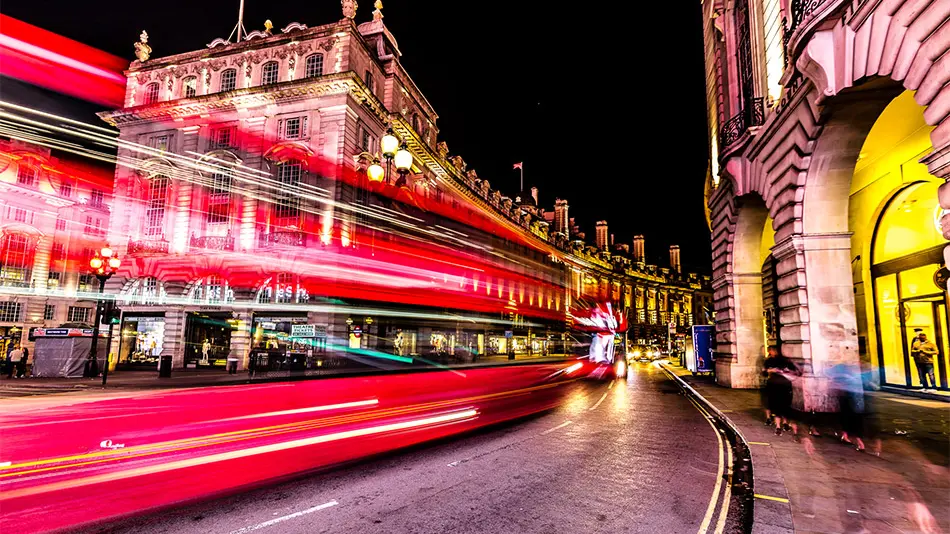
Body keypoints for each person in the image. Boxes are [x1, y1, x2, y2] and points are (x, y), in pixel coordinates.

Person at [763, 346, 801, 437]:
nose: (770, 352)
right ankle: (781, 425)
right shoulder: (773, 361)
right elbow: (797, 372)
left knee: (781, 405)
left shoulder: (780, 361)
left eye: (771, 351)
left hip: (779, 385)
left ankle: (781, 425)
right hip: (778, 385)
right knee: (781, 405)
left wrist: (771, 370)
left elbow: (764, 373)